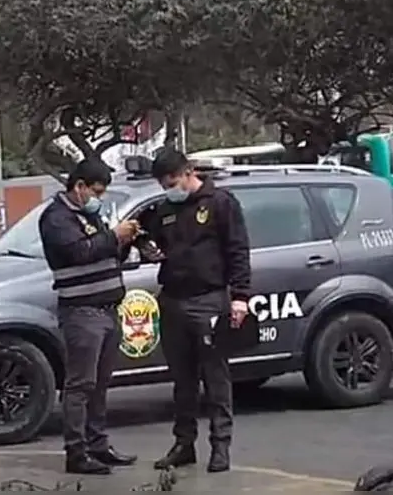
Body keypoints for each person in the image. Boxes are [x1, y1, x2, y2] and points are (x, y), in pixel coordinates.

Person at [142, 149, 252, 472]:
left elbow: (238, 250)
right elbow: (152, 240)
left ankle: (221, 446)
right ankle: (183, 444)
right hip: (173, 300)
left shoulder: (220, 203)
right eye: (164, 184)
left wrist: (240, 296)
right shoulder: (165, 210)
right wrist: (147, 248)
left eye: (173, 181)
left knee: (215, 378)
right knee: (182, 380)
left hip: (208, 300)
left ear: (189, 172)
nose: (169, 188)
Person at [39, 159, 139, 475]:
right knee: (81, 385)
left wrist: (124, 242)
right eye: (96, 191)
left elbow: (104, 253)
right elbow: (78, 252)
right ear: (79, 186)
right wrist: (114, 236)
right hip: (82, 312)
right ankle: (77, 452)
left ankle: (99, 444)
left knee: (100, 385)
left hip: (109, 310)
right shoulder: (57, 218)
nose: (99, 197)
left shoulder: (91, 215)